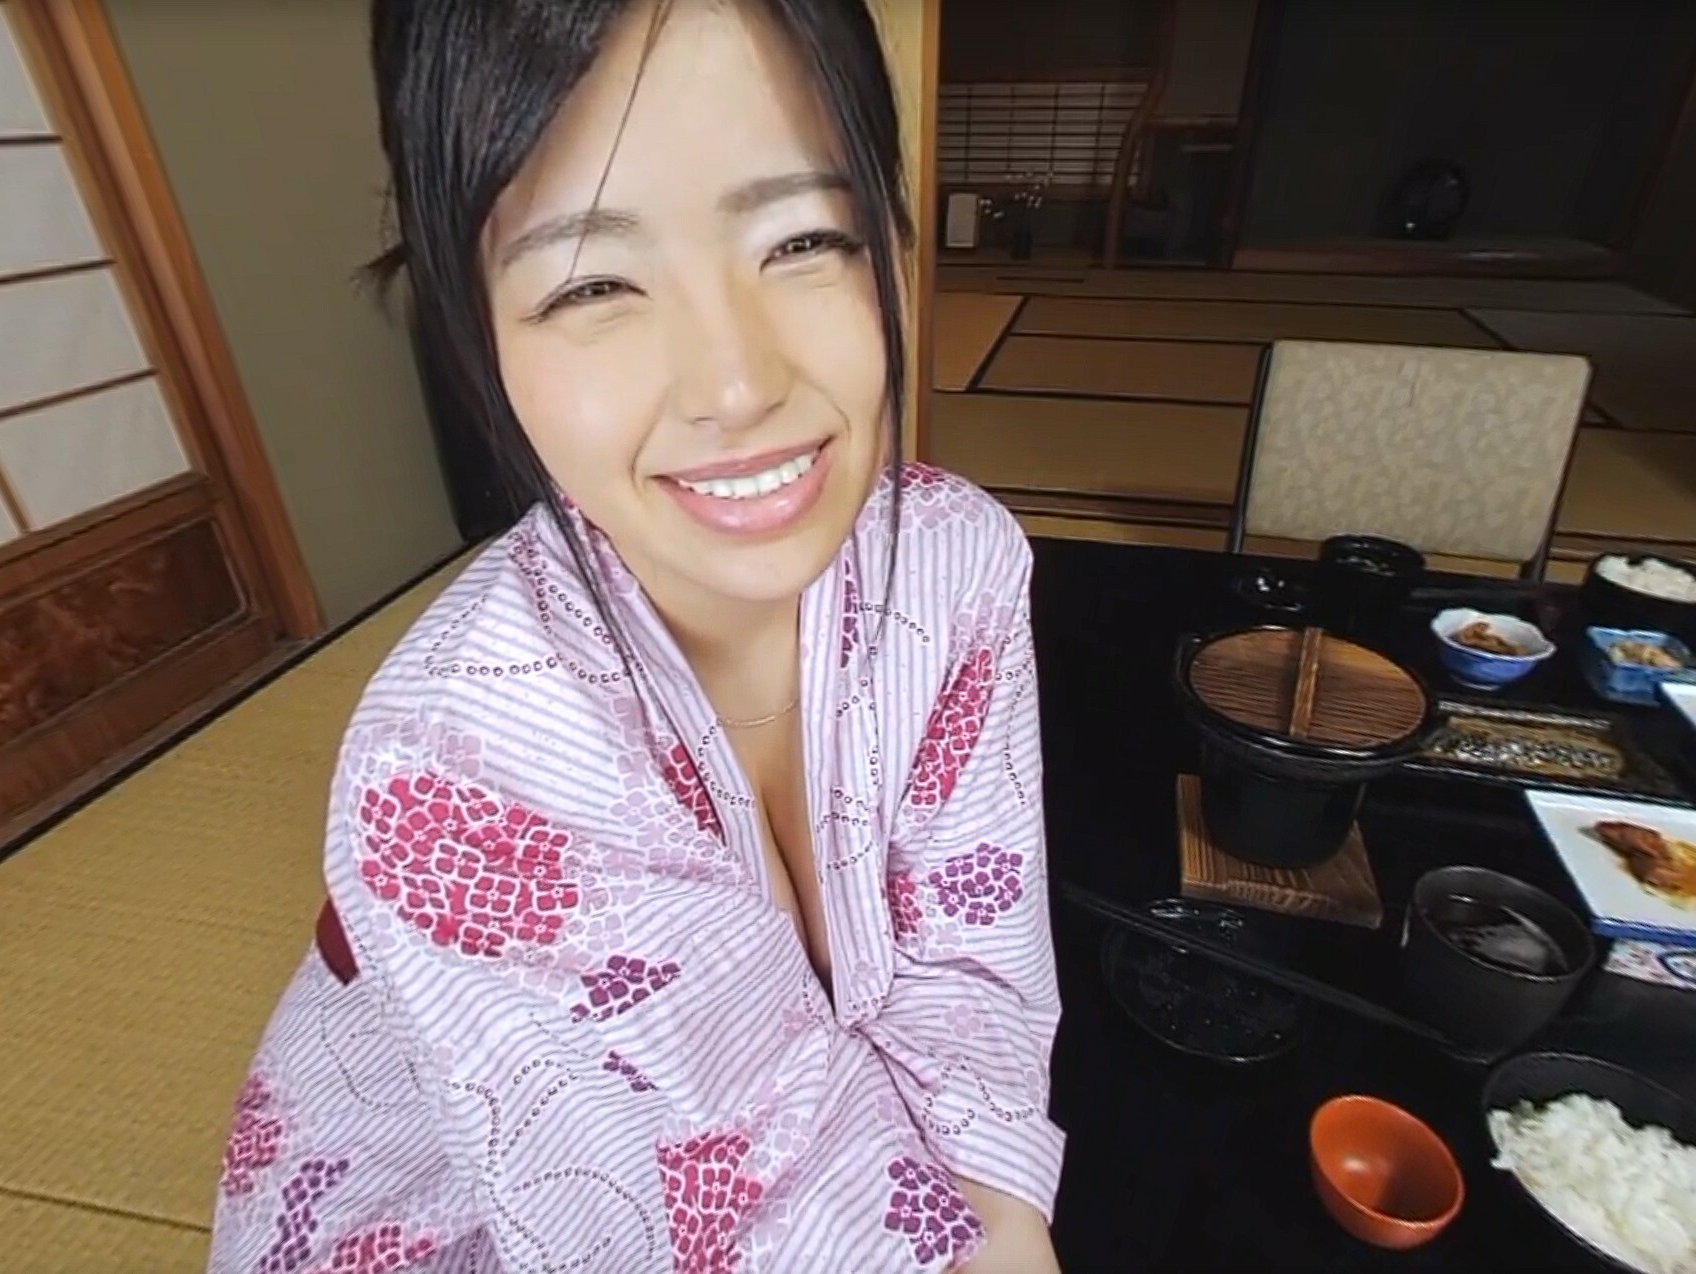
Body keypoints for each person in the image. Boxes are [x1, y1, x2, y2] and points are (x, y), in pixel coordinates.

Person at [206, 1, 1064, 1270]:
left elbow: (973, 976)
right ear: (475, 332)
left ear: (890, 239)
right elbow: (698, 1223)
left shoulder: (955, 564)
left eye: (803, 238)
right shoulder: (453, 759)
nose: (737, 385)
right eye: (594, 282)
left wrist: (1004, 1219)